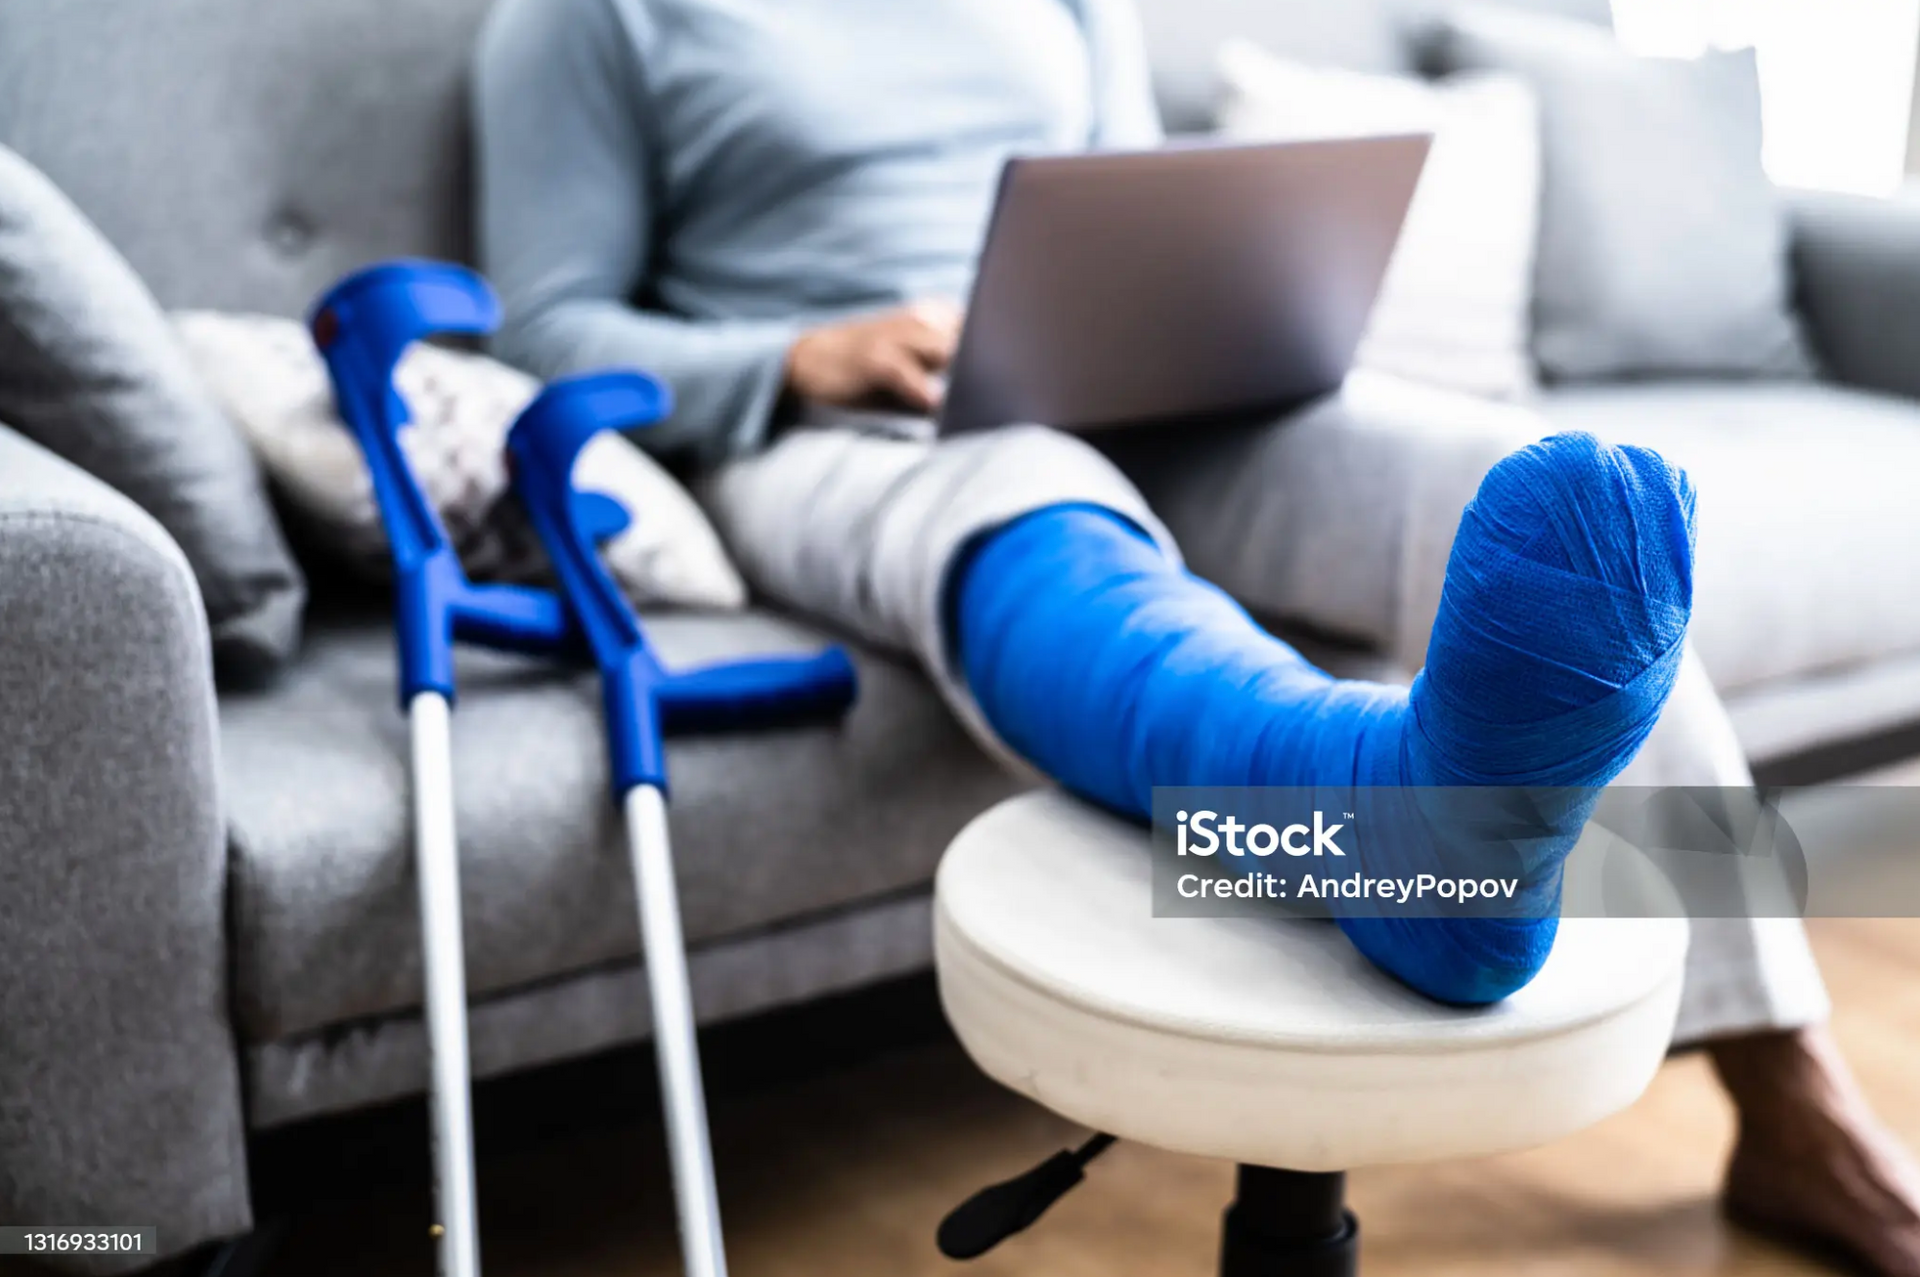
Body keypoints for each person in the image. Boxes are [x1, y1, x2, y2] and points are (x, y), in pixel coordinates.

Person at [471, 0, 1920, 1270]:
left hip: (1124, 383)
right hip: (835, 425)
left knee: (1542, 501)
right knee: (1036, 507)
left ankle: (1783, 1082)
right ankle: (1379, 812)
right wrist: (799, 350)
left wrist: (1219, 320)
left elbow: (1116, 208)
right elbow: (543, 329)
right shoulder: (592, 14)